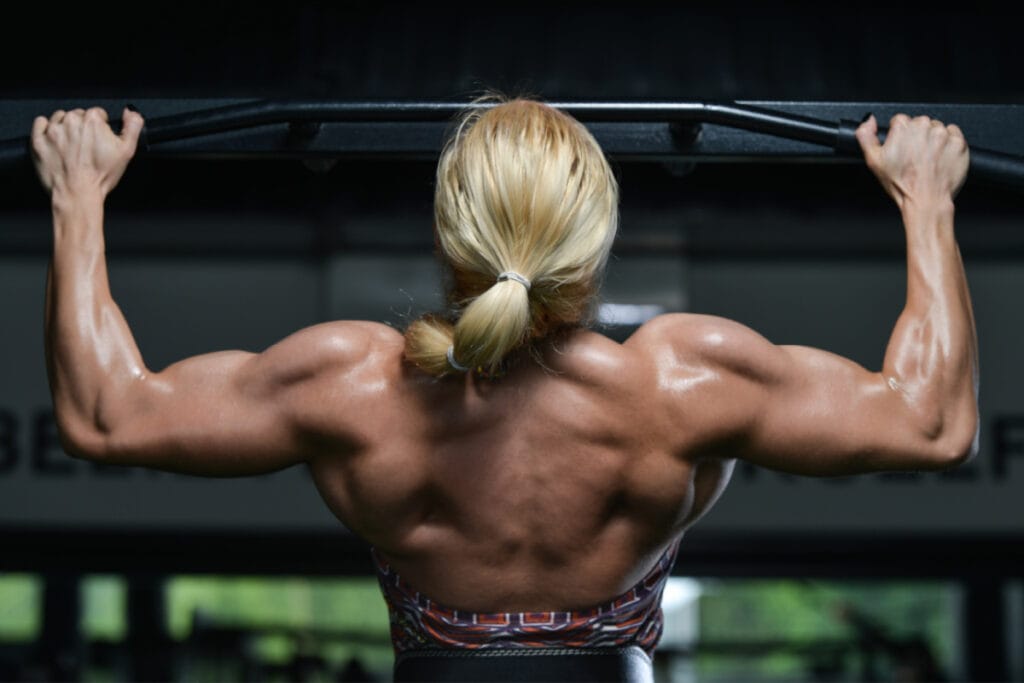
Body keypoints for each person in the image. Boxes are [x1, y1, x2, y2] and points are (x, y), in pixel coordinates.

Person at [30, 96, 978, 682]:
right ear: (595, 242)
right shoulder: (684, 379)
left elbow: (106, 412)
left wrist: (79, 197)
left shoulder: (355, 383)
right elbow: (931, 424)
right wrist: (925, 201)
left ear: (449, 236)